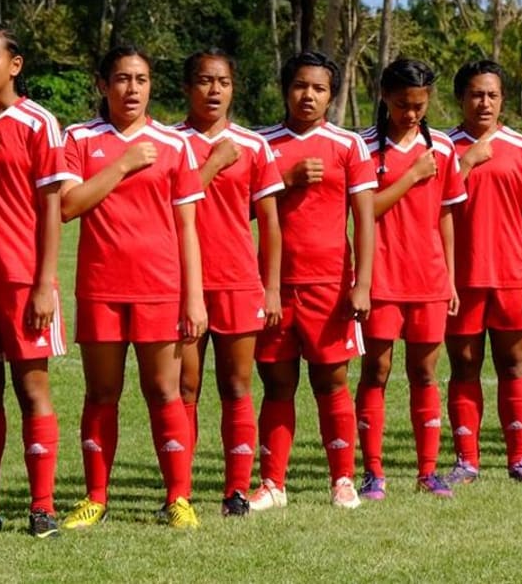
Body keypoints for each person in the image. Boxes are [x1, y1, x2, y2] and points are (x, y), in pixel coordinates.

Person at [59, 45, 207, 530]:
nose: (132, 89)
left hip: (160, 288)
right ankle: (95, 498)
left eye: (141, 79)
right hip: (100, 287)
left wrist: (194, 297)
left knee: (164, 391)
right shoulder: (79, 138)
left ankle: (178, 498)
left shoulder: (174, 143)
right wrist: (122, 165)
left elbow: (187, 226)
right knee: (102, 392)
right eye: (122, 79)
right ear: (103, 85)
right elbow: (68, 205)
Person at [0, 24, 68, 539]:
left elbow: (53, 208)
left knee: (31, 388)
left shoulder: (39, 123)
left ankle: (42, 507)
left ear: (14, 65)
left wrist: (45, 283)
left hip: (25, 281)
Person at [253, 51, 376, 510]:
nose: (309, 95)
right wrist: (285, 179)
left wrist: (362, 283)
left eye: (319, 88)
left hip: (330, 285)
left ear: (332, 95)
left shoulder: (348, 145)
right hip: (273, 285)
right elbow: (238, 209)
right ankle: (273, 483)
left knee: (331, 383)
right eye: (300, 86)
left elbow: (365, 218)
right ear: (286, 89)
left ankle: (342, 479)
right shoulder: (261, 145)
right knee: (277, 384)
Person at [174, 49, 284, 516]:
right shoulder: (170, 143)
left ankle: (236, 490)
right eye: (204, 80)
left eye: (223, 82)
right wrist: (215, 163)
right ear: (187, 88)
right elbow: (167, 208)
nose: (214, 90)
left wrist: (271, 287)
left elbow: (270, 223)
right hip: (182, 284)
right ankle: (179, 492)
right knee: (185, 387)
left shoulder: (254, 145)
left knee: (237, 386)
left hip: (239, 282)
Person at [356, 58, 466, 500]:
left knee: (424, 373)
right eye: (403, 104)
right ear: (385, 97)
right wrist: (413, 175)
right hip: (381, 278)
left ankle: (428, 472)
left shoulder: (443, 147)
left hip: (429, 279)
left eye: (419, 105)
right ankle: (373, 473)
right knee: (376, 371)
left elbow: (446, 217)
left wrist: (450, 279)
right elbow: (365, 211)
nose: (411, 113)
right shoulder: (363, 147)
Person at [443, 60, 522, 486]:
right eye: (475, 94)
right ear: (461, 98)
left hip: (512, 277)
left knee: (514, 364)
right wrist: (466, 162)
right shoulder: (444, 148)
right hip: (461, 279)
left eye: (492, 95)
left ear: (502, 99)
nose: (484, 103)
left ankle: (519, 459)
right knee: (464, 366)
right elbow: (432, 205)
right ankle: (466, 461)